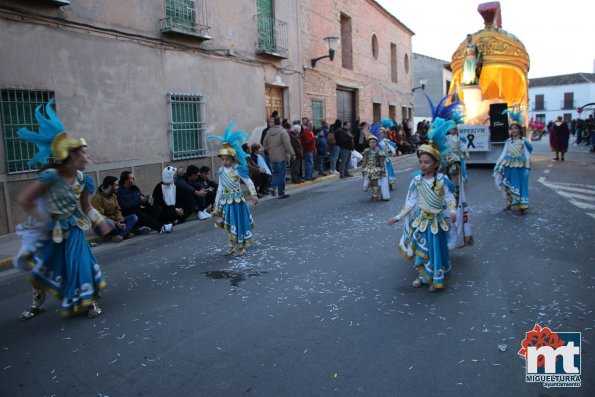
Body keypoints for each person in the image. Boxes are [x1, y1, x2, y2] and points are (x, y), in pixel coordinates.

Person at [14, 100, 112, 319]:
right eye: (83, 154)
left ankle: (90, 302)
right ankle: (36, 304)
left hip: (74, 227)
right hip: (49, 229)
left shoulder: (83, 180)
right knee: (40, 267)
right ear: (71, 157)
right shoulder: (50, 177)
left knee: (82, 264)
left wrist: (99, 220)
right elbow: (25, 200)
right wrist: (42, 219)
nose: (88, 158)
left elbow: (86, 207)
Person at [389, 118, 457, 292]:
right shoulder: (417, 181)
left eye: (427, 162)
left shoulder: (443, 180)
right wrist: (398, 217)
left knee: (435, 251)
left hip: (436, 222)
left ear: (435, 164)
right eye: (421, 162)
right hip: (421, 222)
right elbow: (410, 202)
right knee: (421, 251)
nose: (423, 165)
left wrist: (453, 210)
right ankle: (422, 276)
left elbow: (450, 198)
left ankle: (436, 278)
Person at [208, 124, 259, 256]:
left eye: (227, 159)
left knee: (238, 223)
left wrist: (253, 194)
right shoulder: (220, 171)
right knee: (229, 224)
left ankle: (241, 247)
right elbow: (220, 187)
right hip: (226, 201)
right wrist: (216, 201)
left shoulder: (237, 169)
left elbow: (248, 181)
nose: (225, 162)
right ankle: (231, 245)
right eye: (223, 159)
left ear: (233, 159)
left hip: (237, 201)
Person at [493, 108, 533, 214]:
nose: (513, 130)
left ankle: (521, 206)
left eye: (515, 128)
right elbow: (503, 154)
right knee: (508, 185)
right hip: (509, 166)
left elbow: (527, 155)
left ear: (520, 129)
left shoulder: (524, 141)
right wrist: (497, 164)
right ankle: (509, 203)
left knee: (519, 186)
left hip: (520, 167)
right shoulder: (508, 141)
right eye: (512, 128)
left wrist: (528, 169)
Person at [91, 176, 141, 243]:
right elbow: (100, 217)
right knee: (109, 223)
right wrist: (116, 223)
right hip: (101, 226)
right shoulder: (97, 198)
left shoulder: (113, 195)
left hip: (115, 222)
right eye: (116, 185)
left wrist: (120, 220)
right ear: (110, 187)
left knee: (133, 217)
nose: (118, 187)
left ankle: (121, 235)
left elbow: (118, 210)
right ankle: (125, 233)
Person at [263, 116, 295, 198]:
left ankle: (273, 187)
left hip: (272, 156)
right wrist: (292, 154)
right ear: (280, 123)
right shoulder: (283, 132)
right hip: (282, 156)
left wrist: (270, 150)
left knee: (275, 173)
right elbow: (287, 144)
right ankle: (281, 192)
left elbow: (264, 143)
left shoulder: (269, 132)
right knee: (281, 175)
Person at [361, 135, 387, 201]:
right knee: (371, 182)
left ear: (376, 143)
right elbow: (365, 160)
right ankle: (373, 193)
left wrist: (383, 170)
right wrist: (363, 169)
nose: (372, 144)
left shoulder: (379, 152)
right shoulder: (366, 151)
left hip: (376, 169)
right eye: (370, 142)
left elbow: (381, 162)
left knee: (375, 182)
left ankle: (375, 195)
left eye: (374, 142)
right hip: (368, 169)